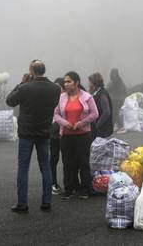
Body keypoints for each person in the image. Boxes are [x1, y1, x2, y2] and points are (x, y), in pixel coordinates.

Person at [6, 60, 61, 213]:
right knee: (45, 167)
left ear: (31, 71)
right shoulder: (55, 89)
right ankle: (46, 202)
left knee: (23, 167)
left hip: (26, 133)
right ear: (44, 70)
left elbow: (9, 101)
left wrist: (20, 84)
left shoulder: (25, 88)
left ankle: (22, 203)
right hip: (44, 132)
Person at [54, 71, 99, 200]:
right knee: (68, 163)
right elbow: (56, 114)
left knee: (83, 162)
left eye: (69, 81)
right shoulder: (62, 97)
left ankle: (85, 189)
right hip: (66, 135)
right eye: (65, 82)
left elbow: (95, 114)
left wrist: (80, 123)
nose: (66, 84)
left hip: (83, 134)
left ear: (77, 82)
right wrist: (65, 123)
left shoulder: (87, 97)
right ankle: (69, 189)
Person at [51, 77, 65, 195]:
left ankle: (70, 183)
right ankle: (53, 183)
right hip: (53, 133)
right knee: (53, 159)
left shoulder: (67, 98)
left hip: (66, 133)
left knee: (68, 159)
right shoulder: (50, 99)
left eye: (59, 87)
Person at [88, 72, 113, 138]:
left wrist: (97, 125)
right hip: (99, 129)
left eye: (89, 82)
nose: (88, 84)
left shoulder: (102, 94)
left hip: (103, 130)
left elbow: (106, 112)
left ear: (94, 82)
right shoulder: (96, 93)